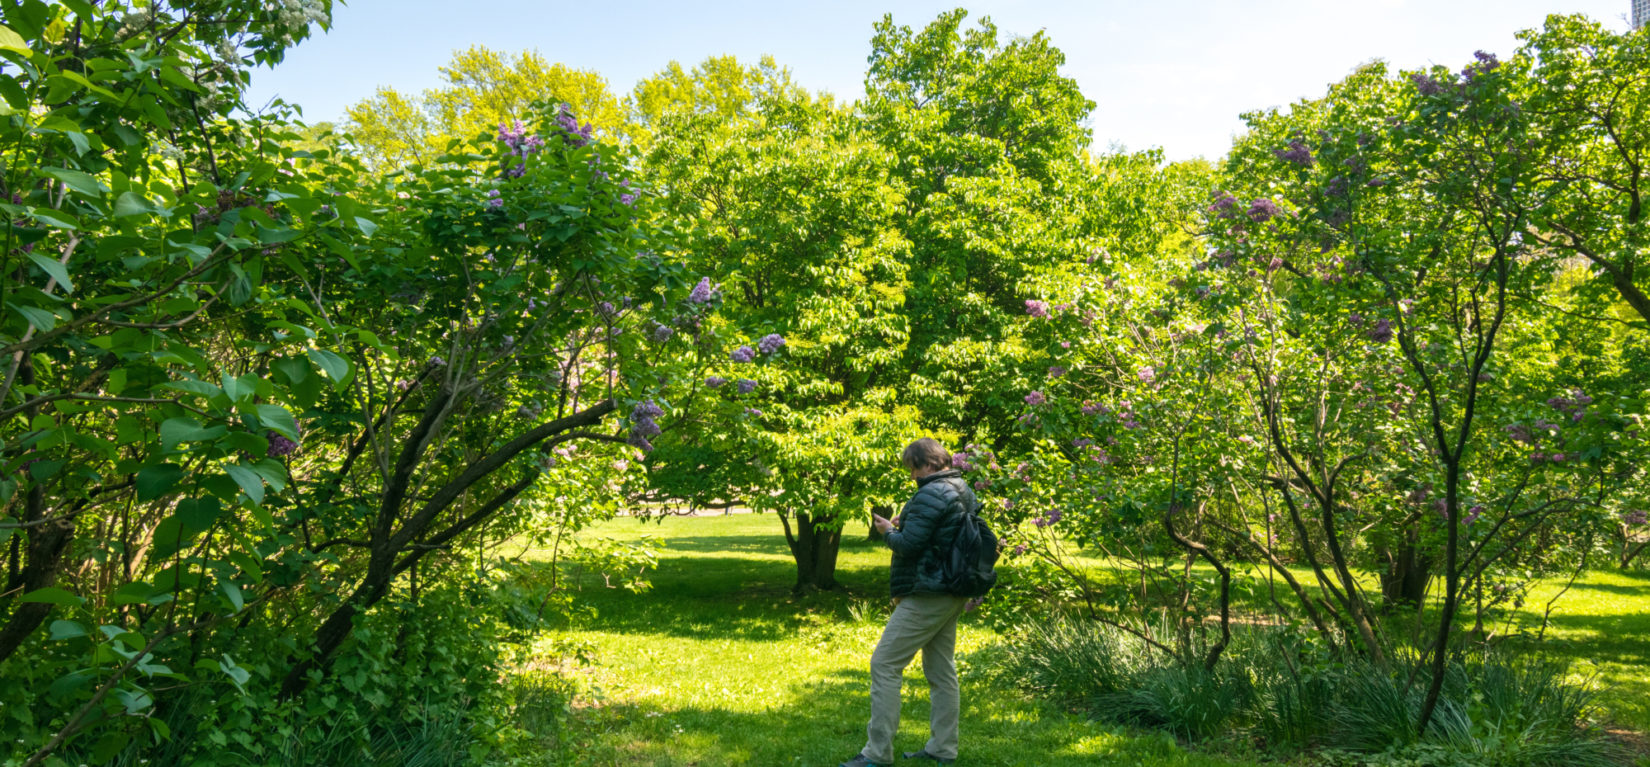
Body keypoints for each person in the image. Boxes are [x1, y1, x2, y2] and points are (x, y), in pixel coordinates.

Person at [839, 438, 976, 767]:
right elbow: (939, 537)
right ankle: (943, 749)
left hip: (928, 592)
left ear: (928, 463)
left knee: (884, 664)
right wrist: (908, 526)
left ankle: (876, 754)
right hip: (952, 590)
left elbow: (910, 545)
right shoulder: (962, 488)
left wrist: (888, 531)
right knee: (941, 671)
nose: (912, 475)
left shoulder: (931, 491)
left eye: (913, 468)